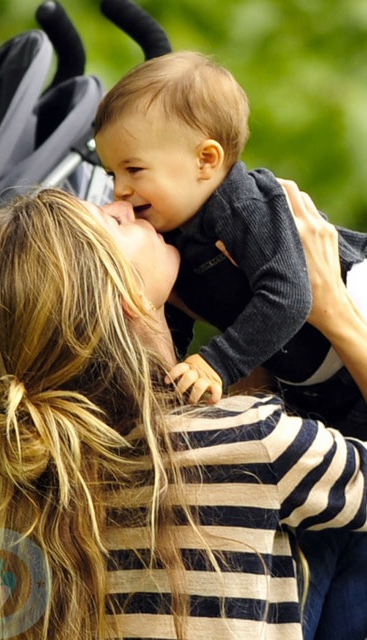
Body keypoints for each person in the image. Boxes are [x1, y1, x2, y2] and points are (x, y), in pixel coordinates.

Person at [0, 183, 367, 640]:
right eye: (113, 221)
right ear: (125, 294)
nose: (125, 204)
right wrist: (336, 312)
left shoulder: (23, 491)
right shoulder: (253, 442)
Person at [94, 50, 367, 437]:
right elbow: (176, 320)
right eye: (111, 173)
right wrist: (166, 384)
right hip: (318, 380)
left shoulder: (242, 207)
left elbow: (289, 296)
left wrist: (216, 363)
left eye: (133, 169)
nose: (120, 190)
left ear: (206, 160)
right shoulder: (172, 235)